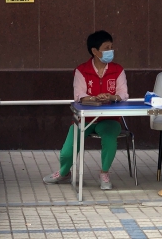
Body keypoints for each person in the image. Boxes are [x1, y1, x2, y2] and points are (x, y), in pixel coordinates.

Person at [42, 30, 129, 190]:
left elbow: (124, 94)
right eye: (106, 48)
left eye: (111, 47)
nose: (111, 51)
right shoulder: (82, 70)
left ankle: (104, 173)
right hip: (84, 119)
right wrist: (92, 99)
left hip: (109, 119)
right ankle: (64, 173)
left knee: (109, 139)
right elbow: (79, 95)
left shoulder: (118, 70)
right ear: (94, 51)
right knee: (66, 152)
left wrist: (111, 97)